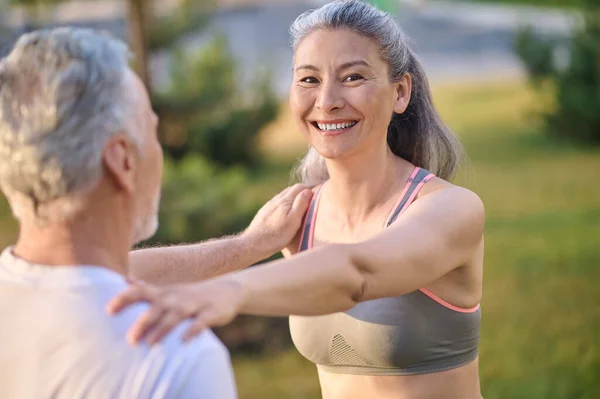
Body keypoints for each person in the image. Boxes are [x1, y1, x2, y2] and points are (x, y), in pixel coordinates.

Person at [108, 1, 486, 398]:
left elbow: (357, 274)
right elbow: (118, 277)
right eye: (308, 79)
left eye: (353, 77)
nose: (327, 101)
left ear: (400, 92)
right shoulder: (299, 219)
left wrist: (231, 290)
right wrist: (248, 246)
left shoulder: (451, 210)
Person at [0, 27, 311, 399]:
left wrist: (249, 246)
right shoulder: (172, 357)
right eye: (152, 132)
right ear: (123, 160)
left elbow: (104, 275)